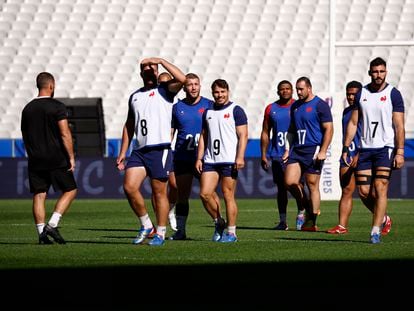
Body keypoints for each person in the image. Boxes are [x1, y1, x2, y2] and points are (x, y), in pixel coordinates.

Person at [116, 57, 185, 246]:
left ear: (156, 71)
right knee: (129, 187)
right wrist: (123, 151)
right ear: (140, 72)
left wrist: (161, 61)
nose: (148, 69)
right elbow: (129, 125)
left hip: (159, 149)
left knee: (159, 193)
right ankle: (147, 224)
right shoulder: (135, 96)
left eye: (151, 67)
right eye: (145, 67)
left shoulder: (164, 91)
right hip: (139, 150)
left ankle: (160, 233)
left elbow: (183, 79)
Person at [342, 57, 405, 244]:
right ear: (370, 72)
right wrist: (346, 148)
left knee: (380, 188)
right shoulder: (362, 93)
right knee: (363, 192)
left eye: (382, 71)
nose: (378, 75)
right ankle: (384, 218)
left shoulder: (394, 94)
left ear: (386, 72)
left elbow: (399, 125)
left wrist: (400, 151)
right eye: (375, 72)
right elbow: (353, 122)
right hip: (365, 148)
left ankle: (375, 230)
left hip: (384, 148)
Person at [21, 72, 77, 245]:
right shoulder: (57, 107)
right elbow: (65, 133)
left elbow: (25, 134)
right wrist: (71, 157)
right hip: (56, 157)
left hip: (35, 158)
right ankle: (52, 224)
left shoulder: (27, 108)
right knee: (70, 190)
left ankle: (41, 233)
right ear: (51, 86)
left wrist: (32, 153)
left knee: (39, 194)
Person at [169, 73, 222, 240]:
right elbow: (171, 133)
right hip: (183, 157)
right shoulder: (177, 108)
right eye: (190, 84)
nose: (193, 87)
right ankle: (181, 231)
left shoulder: (210, 105)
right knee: (182, 195)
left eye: (196, 84)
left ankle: (219, 225)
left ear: (200, 86)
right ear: (184, 87)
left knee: (210, 193)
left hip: (205, 158)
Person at [196, 79, 248, 243]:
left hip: (228, 160)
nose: (220, 95)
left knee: (228, 196)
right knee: (204, 194)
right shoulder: (207, 112)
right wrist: (199, 157)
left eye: (222, 92)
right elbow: (204, 136)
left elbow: (243, 135)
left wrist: (240, 156)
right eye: (216, 92)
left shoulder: (236, 110)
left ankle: (231, 233)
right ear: (212, 93)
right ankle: (219, 221)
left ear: (228, 91)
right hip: (211, 160)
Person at [284, 77, 333, 231]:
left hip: (313, 150)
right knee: (289, 181)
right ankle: (304, 204)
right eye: (297, 89)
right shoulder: (295, 106)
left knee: (312, 185)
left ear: (309, 88)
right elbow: (291, 130)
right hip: (297, 149)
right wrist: (287, 148)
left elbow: (329, 129)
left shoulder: (320, 105)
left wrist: (323, 151)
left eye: (301, 89)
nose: (298, 92)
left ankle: (312, 221)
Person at [327, 81, 375, 234]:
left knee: (364, 192)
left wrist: (360, 153)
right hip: (347, 155)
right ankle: (342, 226)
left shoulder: (368, 110)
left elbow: (370, 134)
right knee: (346, 190)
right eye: (348, 94)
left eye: (354, 94)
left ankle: (382, 217)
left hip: (364, 154)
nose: (351, 97)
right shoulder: (346, 111)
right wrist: (345, 151)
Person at [260, 80, 306, 231]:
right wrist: (263, 154)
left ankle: (302, 212)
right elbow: (266, 132)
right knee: (281, 188)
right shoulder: (271, 109)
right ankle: (283, 221)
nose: (285, 91)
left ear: (292, 90)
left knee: (295, 184)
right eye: (282, 89)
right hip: (278, 153)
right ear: (278, 91)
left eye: (288, 89)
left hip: (296, 152)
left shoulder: (299, 106)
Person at [156, 71, 178, 232]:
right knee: (158, 186)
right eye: (160, 82)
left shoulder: (174, 104)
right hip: (161, 148)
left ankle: (170, 210)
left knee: (175, 186)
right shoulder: (152, 102)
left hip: (177, 148)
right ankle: (160, 219)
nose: (162, 85)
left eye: (166, 82)